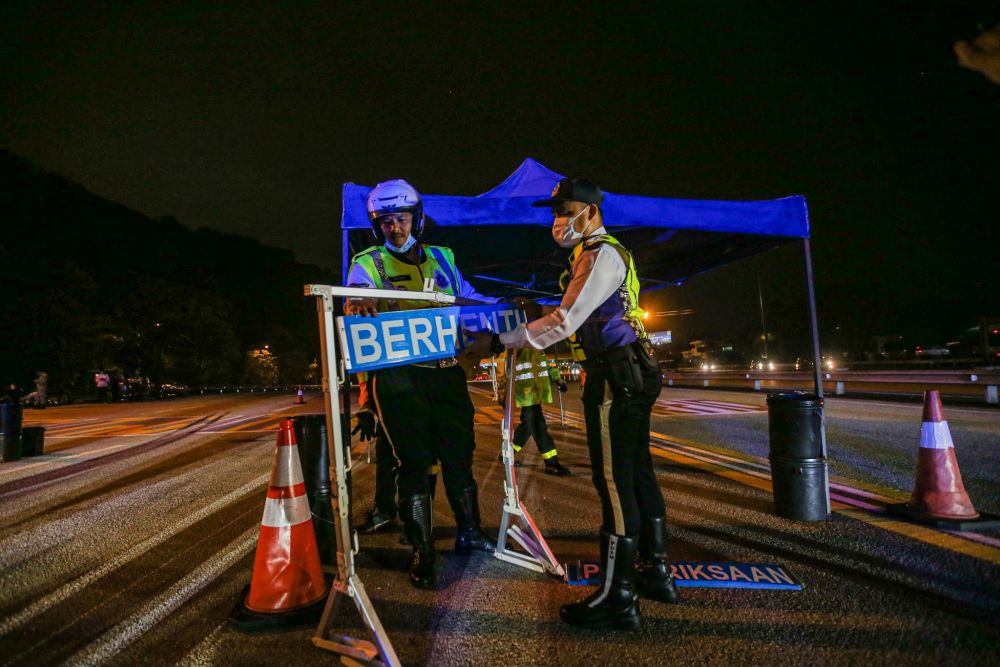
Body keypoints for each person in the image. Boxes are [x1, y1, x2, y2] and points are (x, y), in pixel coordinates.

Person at [464, 177, 679, 630]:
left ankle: (618, 597)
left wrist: (498, 342)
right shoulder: (594, 255)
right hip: (630, 370)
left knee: (616, 481)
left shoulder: (600, 255)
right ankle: (655, 571)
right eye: (556, 212)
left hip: (617, 375)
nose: (558, 221)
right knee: (638, 471)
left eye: (567, 210)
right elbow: (573, 310)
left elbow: (565, 322)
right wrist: (534, 308)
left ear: (592, 212)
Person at [344, 179, 497, 589]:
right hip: (398, 379)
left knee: (459, 455)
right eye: (387, 222)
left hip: (446, 373)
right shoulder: (369, 262)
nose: (396, 228)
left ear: (417, 219)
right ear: (378, 227)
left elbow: (467, 296)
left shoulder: (443, 257)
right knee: (413, 463)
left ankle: (469, 531)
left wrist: (501, 307)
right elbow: (354, 293)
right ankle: (422, 548)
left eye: (402, 218)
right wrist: (358, 300)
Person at [499, 348, 572, 476]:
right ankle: (551, 463)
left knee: (527, 427)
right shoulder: (517, 348)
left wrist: (558, 379)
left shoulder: (537, 349)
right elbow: (506, 373)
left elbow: (545, 366)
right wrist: (502, 394)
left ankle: (507, 454)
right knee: (539, 429)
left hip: (535, 395)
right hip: (527, 396)